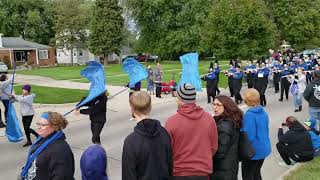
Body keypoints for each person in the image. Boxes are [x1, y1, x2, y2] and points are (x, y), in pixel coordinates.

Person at [165, 83, 218, 180]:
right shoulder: (209, 119)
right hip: (202, 173)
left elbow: (167, 152)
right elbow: (214, 147)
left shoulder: (171, 122)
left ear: (180, 100)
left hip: (179, 173)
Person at [122, 91, 172, 180]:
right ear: (150, 107)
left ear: (132, 110)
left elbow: (128, 175)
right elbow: (170, 166)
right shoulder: (164, 133)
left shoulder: (131, 141)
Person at [20, 112, 75, 180]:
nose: (39, 127)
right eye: (38, 124)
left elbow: (62, 176)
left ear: (53, 127)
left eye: (43, 125)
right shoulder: (42, 139)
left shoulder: (60, 150)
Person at [241, 88, 271, 180]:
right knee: (256, 172)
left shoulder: (249, 115)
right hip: (263, 148)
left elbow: (248, 136)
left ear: (246, 101)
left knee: (248, 175)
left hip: (254, 152)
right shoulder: (263, 111)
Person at [210, 95, 242, 180]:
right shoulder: (233, 120)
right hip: (231, 166)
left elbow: (219, 153)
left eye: (218, 105)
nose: (214, 107)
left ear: (226, 106)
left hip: (222, 171)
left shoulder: (224, 127)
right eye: (213, 104)